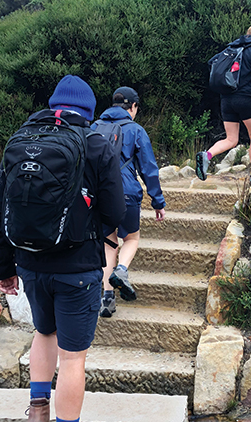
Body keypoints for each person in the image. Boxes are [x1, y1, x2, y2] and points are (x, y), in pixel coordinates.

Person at [0, 75, 125, 422]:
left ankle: (37, 412)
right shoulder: (96, 144)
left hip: (30, 264)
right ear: (88, 111)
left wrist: (5, 268)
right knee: (73, 359)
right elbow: (115, 211)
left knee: (43, 333)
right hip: (79, 269)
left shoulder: (20, 141)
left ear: (53, 105)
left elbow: (1, 209)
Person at [91, 87, 166, 318]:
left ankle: (107, 298)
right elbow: (149, 169)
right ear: (133, 107)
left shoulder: (94, 127)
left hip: (99, 196)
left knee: (108, 242)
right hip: (126, 194)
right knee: (131, 238)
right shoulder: (136, 130)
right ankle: (121, 270)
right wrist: (158, 201)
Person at [196, 21, 251, 186]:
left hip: (227, 99)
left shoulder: (232, 47)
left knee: (231, 139)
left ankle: (207, 155)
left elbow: (213, 62)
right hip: (247, 98)